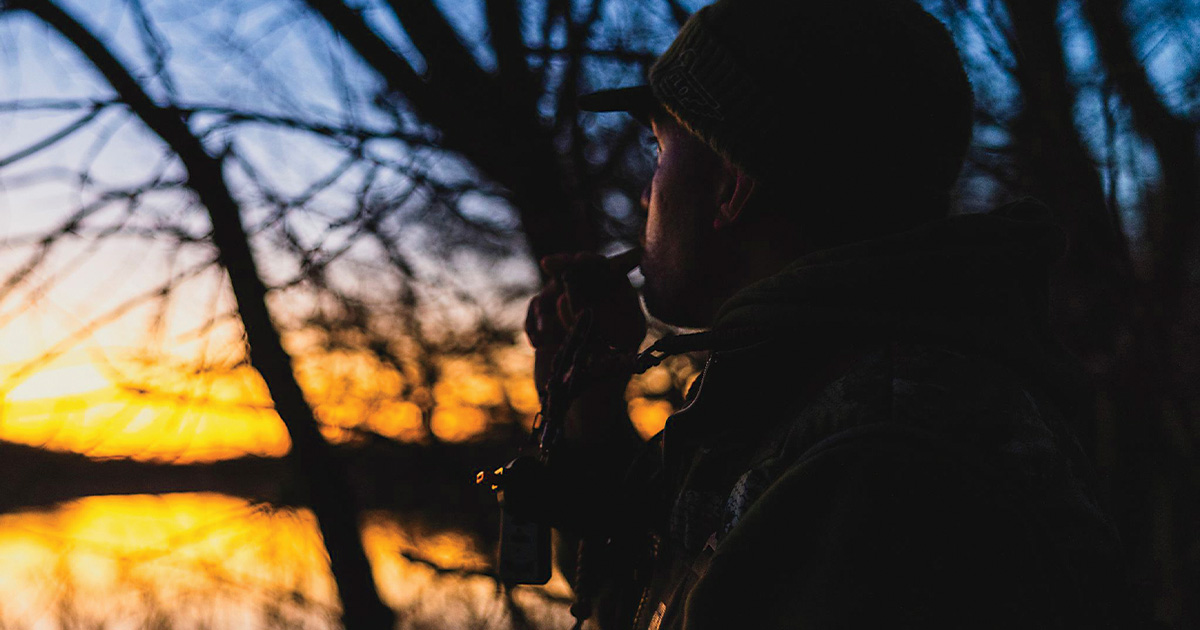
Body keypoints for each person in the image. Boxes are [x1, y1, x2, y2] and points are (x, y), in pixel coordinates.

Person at [519, 0, 1130, 627]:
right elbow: (653, 605)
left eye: (656, 150)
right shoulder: (800, 407)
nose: (648, 192)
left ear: (729, 185)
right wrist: (589, 425)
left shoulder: (881, 476)